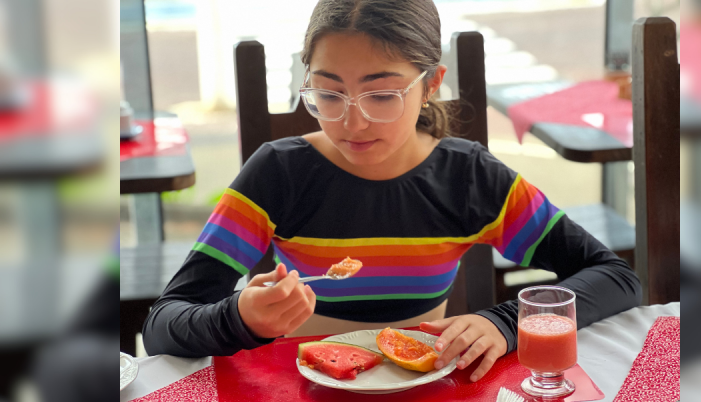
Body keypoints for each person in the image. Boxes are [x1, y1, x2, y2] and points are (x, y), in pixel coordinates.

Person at [143, 0, 641, 382]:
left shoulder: (466, 179)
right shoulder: (279, 173)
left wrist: (505, 323)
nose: (352, 121)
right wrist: (238, 317)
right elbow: (163, 324)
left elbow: (616, 277)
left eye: (382, 94)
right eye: (328, 93)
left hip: (423, 392)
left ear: (430, 85)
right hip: (297, 396)